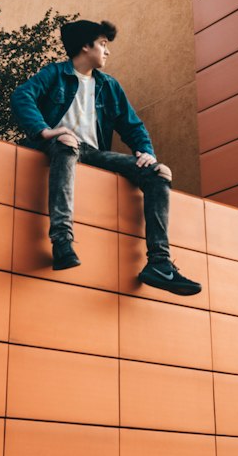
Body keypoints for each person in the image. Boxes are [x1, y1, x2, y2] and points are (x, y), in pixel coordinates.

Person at [11, 19, 202, 296]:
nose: (107, 51)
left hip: (93, 153)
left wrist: (146, 153)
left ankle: (159, 263)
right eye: (103, 44)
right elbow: (22, 96)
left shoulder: (108, 86)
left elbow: (132, 125)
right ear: (86, 46)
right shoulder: (55, 74)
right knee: (66, 142)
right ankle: (61, 240)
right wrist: (44, 131)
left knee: (160, 172)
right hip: (59, 147)